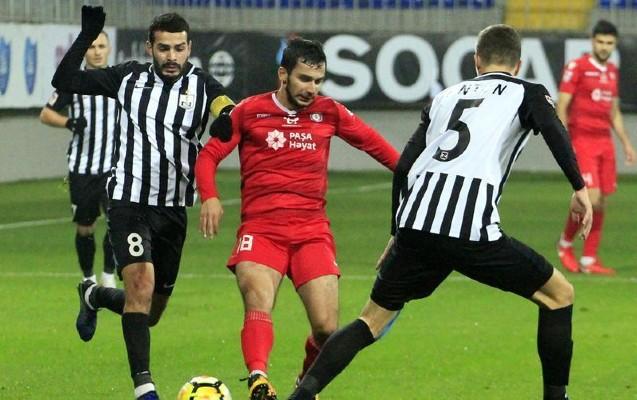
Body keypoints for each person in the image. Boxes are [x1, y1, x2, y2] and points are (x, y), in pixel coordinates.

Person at [289, 24, 592, 400]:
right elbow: (552, 127)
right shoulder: (526, 92)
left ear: (476, 61)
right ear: (519, 64)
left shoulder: (445, 97)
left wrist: (396, 231)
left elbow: (404, 168)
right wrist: (579, 186)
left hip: (415, 226)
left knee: (370, 321)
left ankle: (301, 396)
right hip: (470, 229)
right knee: (559, 295)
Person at [195, 38, 399, 400]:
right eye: (305, 79)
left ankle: (305, 386)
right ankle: (259, 378)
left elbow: (376, 146)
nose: (312, 89)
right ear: (283, 74)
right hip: (261, 230)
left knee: (326, 328)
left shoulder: (329, 112)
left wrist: (416, 174)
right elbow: (209, 155)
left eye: (318, 81)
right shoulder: (249, 111)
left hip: (312, 232)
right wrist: (210, 195)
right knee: (258, 298)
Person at [51, 6, 234, 400]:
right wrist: (87, 35)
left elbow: (225, 105)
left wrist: (226, 117)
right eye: (164, 48)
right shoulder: (127, 78)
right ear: (150, 47)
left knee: (149, 312)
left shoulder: (202, 84)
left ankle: (94, 295)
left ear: (189, 48)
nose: (172, 56)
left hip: (173, 209)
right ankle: (144, 388)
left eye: (179, 48)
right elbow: (63, 79)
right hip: (128, 201)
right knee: (140, 283)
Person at [556, 19, 635, 275]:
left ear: (615, 44)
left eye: (609, 43)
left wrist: (626, 144)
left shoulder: (611, 70)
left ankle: (589, 259)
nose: (604, 47)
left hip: (604, 142)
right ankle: (565, 244)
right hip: (582, 140)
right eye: (600, 41)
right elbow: (562, 105)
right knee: (590, 196)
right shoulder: (577, 66)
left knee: (600, 202)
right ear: (592, 41)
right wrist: (563, 141)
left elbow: (614, 112)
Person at [40, 30, 119, 288]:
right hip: (82, 168)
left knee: (117, 223)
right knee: (85, 227)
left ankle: (108, 275)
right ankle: (88, 278)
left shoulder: (120, 81)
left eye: (101, 46)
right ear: (85, 51)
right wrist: (69, 122)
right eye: (92, 46)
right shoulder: (73, 81)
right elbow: (46, 114)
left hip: (114, 167)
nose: (97, 51)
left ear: (109, 49)